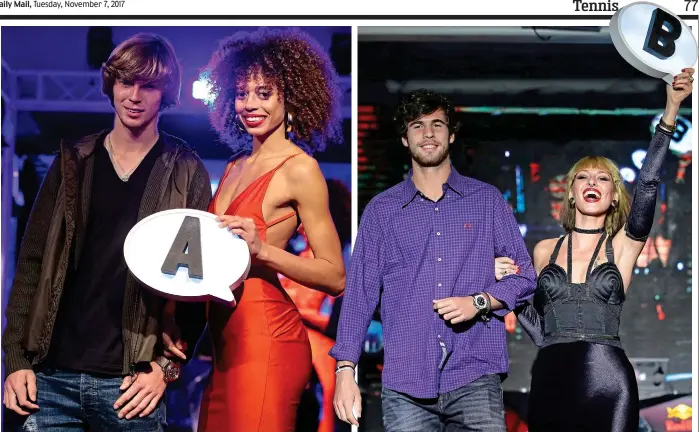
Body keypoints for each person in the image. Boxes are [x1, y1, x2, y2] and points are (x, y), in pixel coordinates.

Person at [2, 33, 212, 431]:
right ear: (110, 85)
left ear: (165, 94)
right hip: (51, 381)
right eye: (126, 82)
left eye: (149, 85)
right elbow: (31, 263)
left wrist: (164, 371)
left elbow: (195, 290)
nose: (135, 95)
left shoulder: (185, 172)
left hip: (130, 385)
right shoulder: (73, 162)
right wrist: (14, 360)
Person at [493, 68, 694, 431]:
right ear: (570, 191)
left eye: (603, 178)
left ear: (615, 194)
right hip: (552, 376)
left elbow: (648, 182)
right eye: (583, 177)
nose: (592, 183)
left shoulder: (625, 244)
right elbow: (541, 333)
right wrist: (513, 293)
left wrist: (670, 111)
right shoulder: (543, 251)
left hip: (608, 379)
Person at [331, 89, 537, 431]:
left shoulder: (485, 201)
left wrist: (480, 301)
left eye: (437, 125)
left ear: (451, 134)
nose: (428, 133)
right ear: (404, 138)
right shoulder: (382, 211)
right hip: (406, 380)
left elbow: (525, 276)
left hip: (474, 372)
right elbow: (359, 297)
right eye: (417, 125)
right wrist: (344, 371)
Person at [195, 27, 346, 432]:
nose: (250, 104)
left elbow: (334, 275)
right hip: (224, 343)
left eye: (264, 93)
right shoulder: (232, 168)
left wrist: (263, 250)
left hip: (267, 340)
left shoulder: (301, 169)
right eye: (242, 93)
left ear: (291, 96)